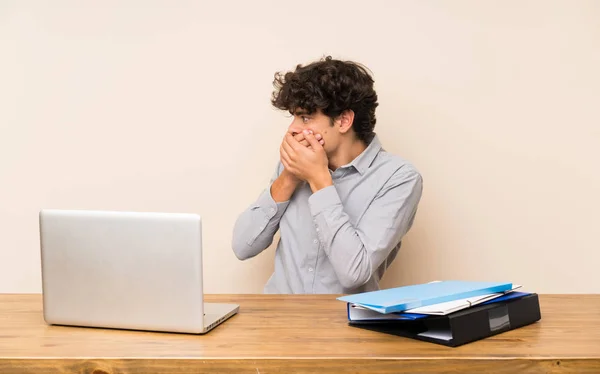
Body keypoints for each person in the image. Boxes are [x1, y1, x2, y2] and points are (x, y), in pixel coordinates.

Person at [232, 56, 423, 294]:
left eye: (305, 117)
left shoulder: (398, 178)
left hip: (344, 323)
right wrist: (290, 177)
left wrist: (318, 179)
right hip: (278, 321)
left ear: (343, 120)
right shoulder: (294, 164)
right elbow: (242, 246)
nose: (292, 128)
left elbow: (354, 272)